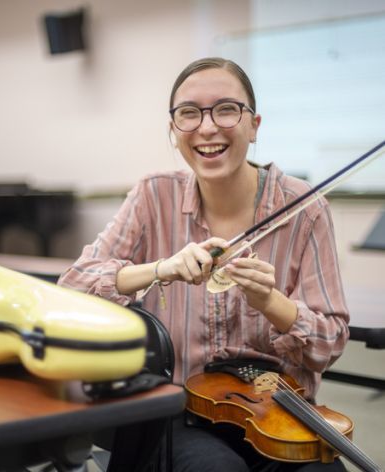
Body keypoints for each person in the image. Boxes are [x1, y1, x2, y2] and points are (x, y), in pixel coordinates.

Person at [58, 57, 349, 471]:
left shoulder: (305, 208)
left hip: (279, 413)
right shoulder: (152, 195)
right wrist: (161, 269)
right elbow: (72, 285)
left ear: (254, 124)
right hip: (180, 413)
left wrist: (270, 301)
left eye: (226, 109)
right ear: (174, 130)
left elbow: (330, 343)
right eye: (189, 114)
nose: (208, 128)